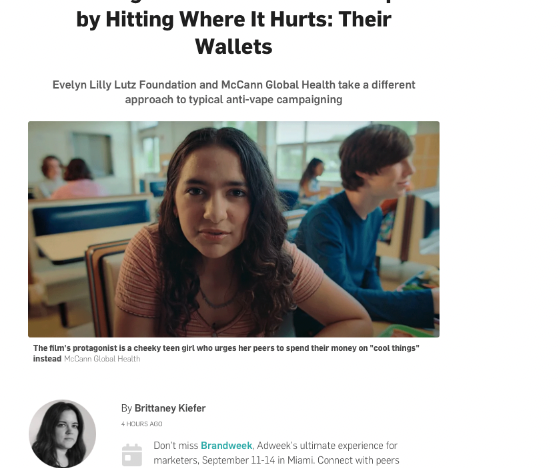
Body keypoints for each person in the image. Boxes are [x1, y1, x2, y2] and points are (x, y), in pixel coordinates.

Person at [113, 127, 372, 337]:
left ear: (257, 203)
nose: (215, 214)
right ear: (174, 202)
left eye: (236, 193)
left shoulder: (274, 255)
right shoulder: (150, 250)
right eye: (196, 191)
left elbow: (356, 321)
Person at [294, 124, 439, 336]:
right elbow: (338, 297)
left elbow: (368, 270)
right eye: (397, 161)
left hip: (358, 313)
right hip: (325, 325)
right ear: (362, 171)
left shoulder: (374, 213)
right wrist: (428, 301)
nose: (411, 170)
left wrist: (391, 309)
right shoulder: (323, 218)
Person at [31, 401, 87, 468]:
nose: (70, 431)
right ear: (49, 428)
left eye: (74, 426)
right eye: (62, 425)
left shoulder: (76, 459)